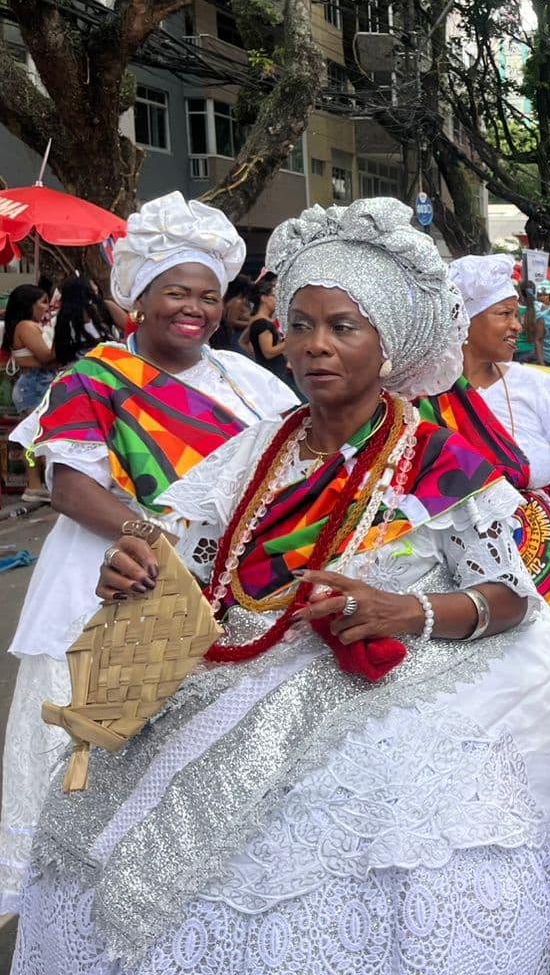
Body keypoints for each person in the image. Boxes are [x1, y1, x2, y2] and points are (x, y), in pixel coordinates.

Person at [16, 197, 550, 975]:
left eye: (342, 328)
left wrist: (406, 609)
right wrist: (136, 570)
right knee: (109, 808)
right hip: (236, 662)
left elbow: (509, 597)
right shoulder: (256, 449)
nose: (314, 348)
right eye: (300, 325)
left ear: (387, 345)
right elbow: (191, 562)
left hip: (395, 680)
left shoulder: (434, 457)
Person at [0, 193, 298, 916]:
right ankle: (51, 898)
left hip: (216, 590)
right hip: (101, 580)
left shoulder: (247, 380)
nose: (192, 308)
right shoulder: (91, 378)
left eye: (206, 294)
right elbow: (71, 489)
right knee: (78, 735)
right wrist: (159, 542)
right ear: (141, 296)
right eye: (175, 292)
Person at [417, 253, 550, 668]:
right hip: (462, 574)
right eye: (505, 314)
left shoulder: (539, 389)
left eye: (518, 314)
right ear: (465, 324)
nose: (518, 326)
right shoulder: (423, 401)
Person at [3, 285, 56, 505]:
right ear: (30, 304)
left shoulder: (29, 325)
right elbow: (45, 355)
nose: (46, 307)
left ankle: (36, 484)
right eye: (43, 302)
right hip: (34, 386)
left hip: (36, 384)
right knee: (33, 439)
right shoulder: (26, 326)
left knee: (35, 439)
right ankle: (34, 485)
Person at [240, 275, 295, 389]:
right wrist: (290, 341)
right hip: (274, 373)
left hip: (268, 370)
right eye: (274, 296)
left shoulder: (257, 320)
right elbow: (268, 353)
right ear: (264, 298)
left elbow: (243, 341)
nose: (277, 300)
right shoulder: (263, 323)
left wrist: (258, 355)